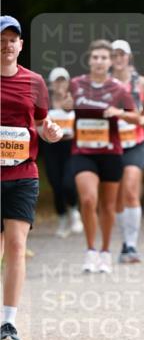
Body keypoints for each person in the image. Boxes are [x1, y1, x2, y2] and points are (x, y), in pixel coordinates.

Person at [1, 15, 63, 340]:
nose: (7, 45)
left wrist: (53, 132)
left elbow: (42, 124)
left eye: (13, 39)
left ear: (21, 45)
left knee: (16, 246)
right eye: (2, 38)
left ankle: (8, 323)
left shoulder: (34, 82)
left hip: (23, 173)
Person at [70, 39, 140, 274]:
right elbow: (59, 103)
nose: (99, 62)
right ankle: (90, 250)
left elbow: (137, 117)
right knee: (89, 200)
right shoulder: (76, 84)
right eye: (95, 57)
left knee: (109, 206)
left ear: (110, 62)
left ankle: (106, 251)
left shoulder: (119, 89)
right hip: (83, 152)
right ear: (89, 60)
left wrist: (118, 112)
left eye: (104, 58)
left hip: (111, 152)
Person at [110, 39, 144, 262]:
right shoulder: (103, 84)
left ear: (129, 57)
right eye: (114, 55)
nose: (118, 58)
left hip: (136, 142)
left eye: (121, 54)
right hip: (112, 145)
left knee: (130, 190)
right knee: (117, 197)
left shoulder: (142, 83)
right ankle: (124, 241)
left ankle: (131, 245)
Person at [42, 66, 82, 237]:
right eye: (56, 81)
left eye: (63, 80)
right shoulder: (45, 103)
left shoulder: (75, 101)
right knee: (56, 185)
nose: (60, 84)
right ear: (50, 84)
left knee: (68, 183)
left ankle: (74, 210)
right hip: (51, 148)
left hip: (70, 146)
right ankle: (62, 218)